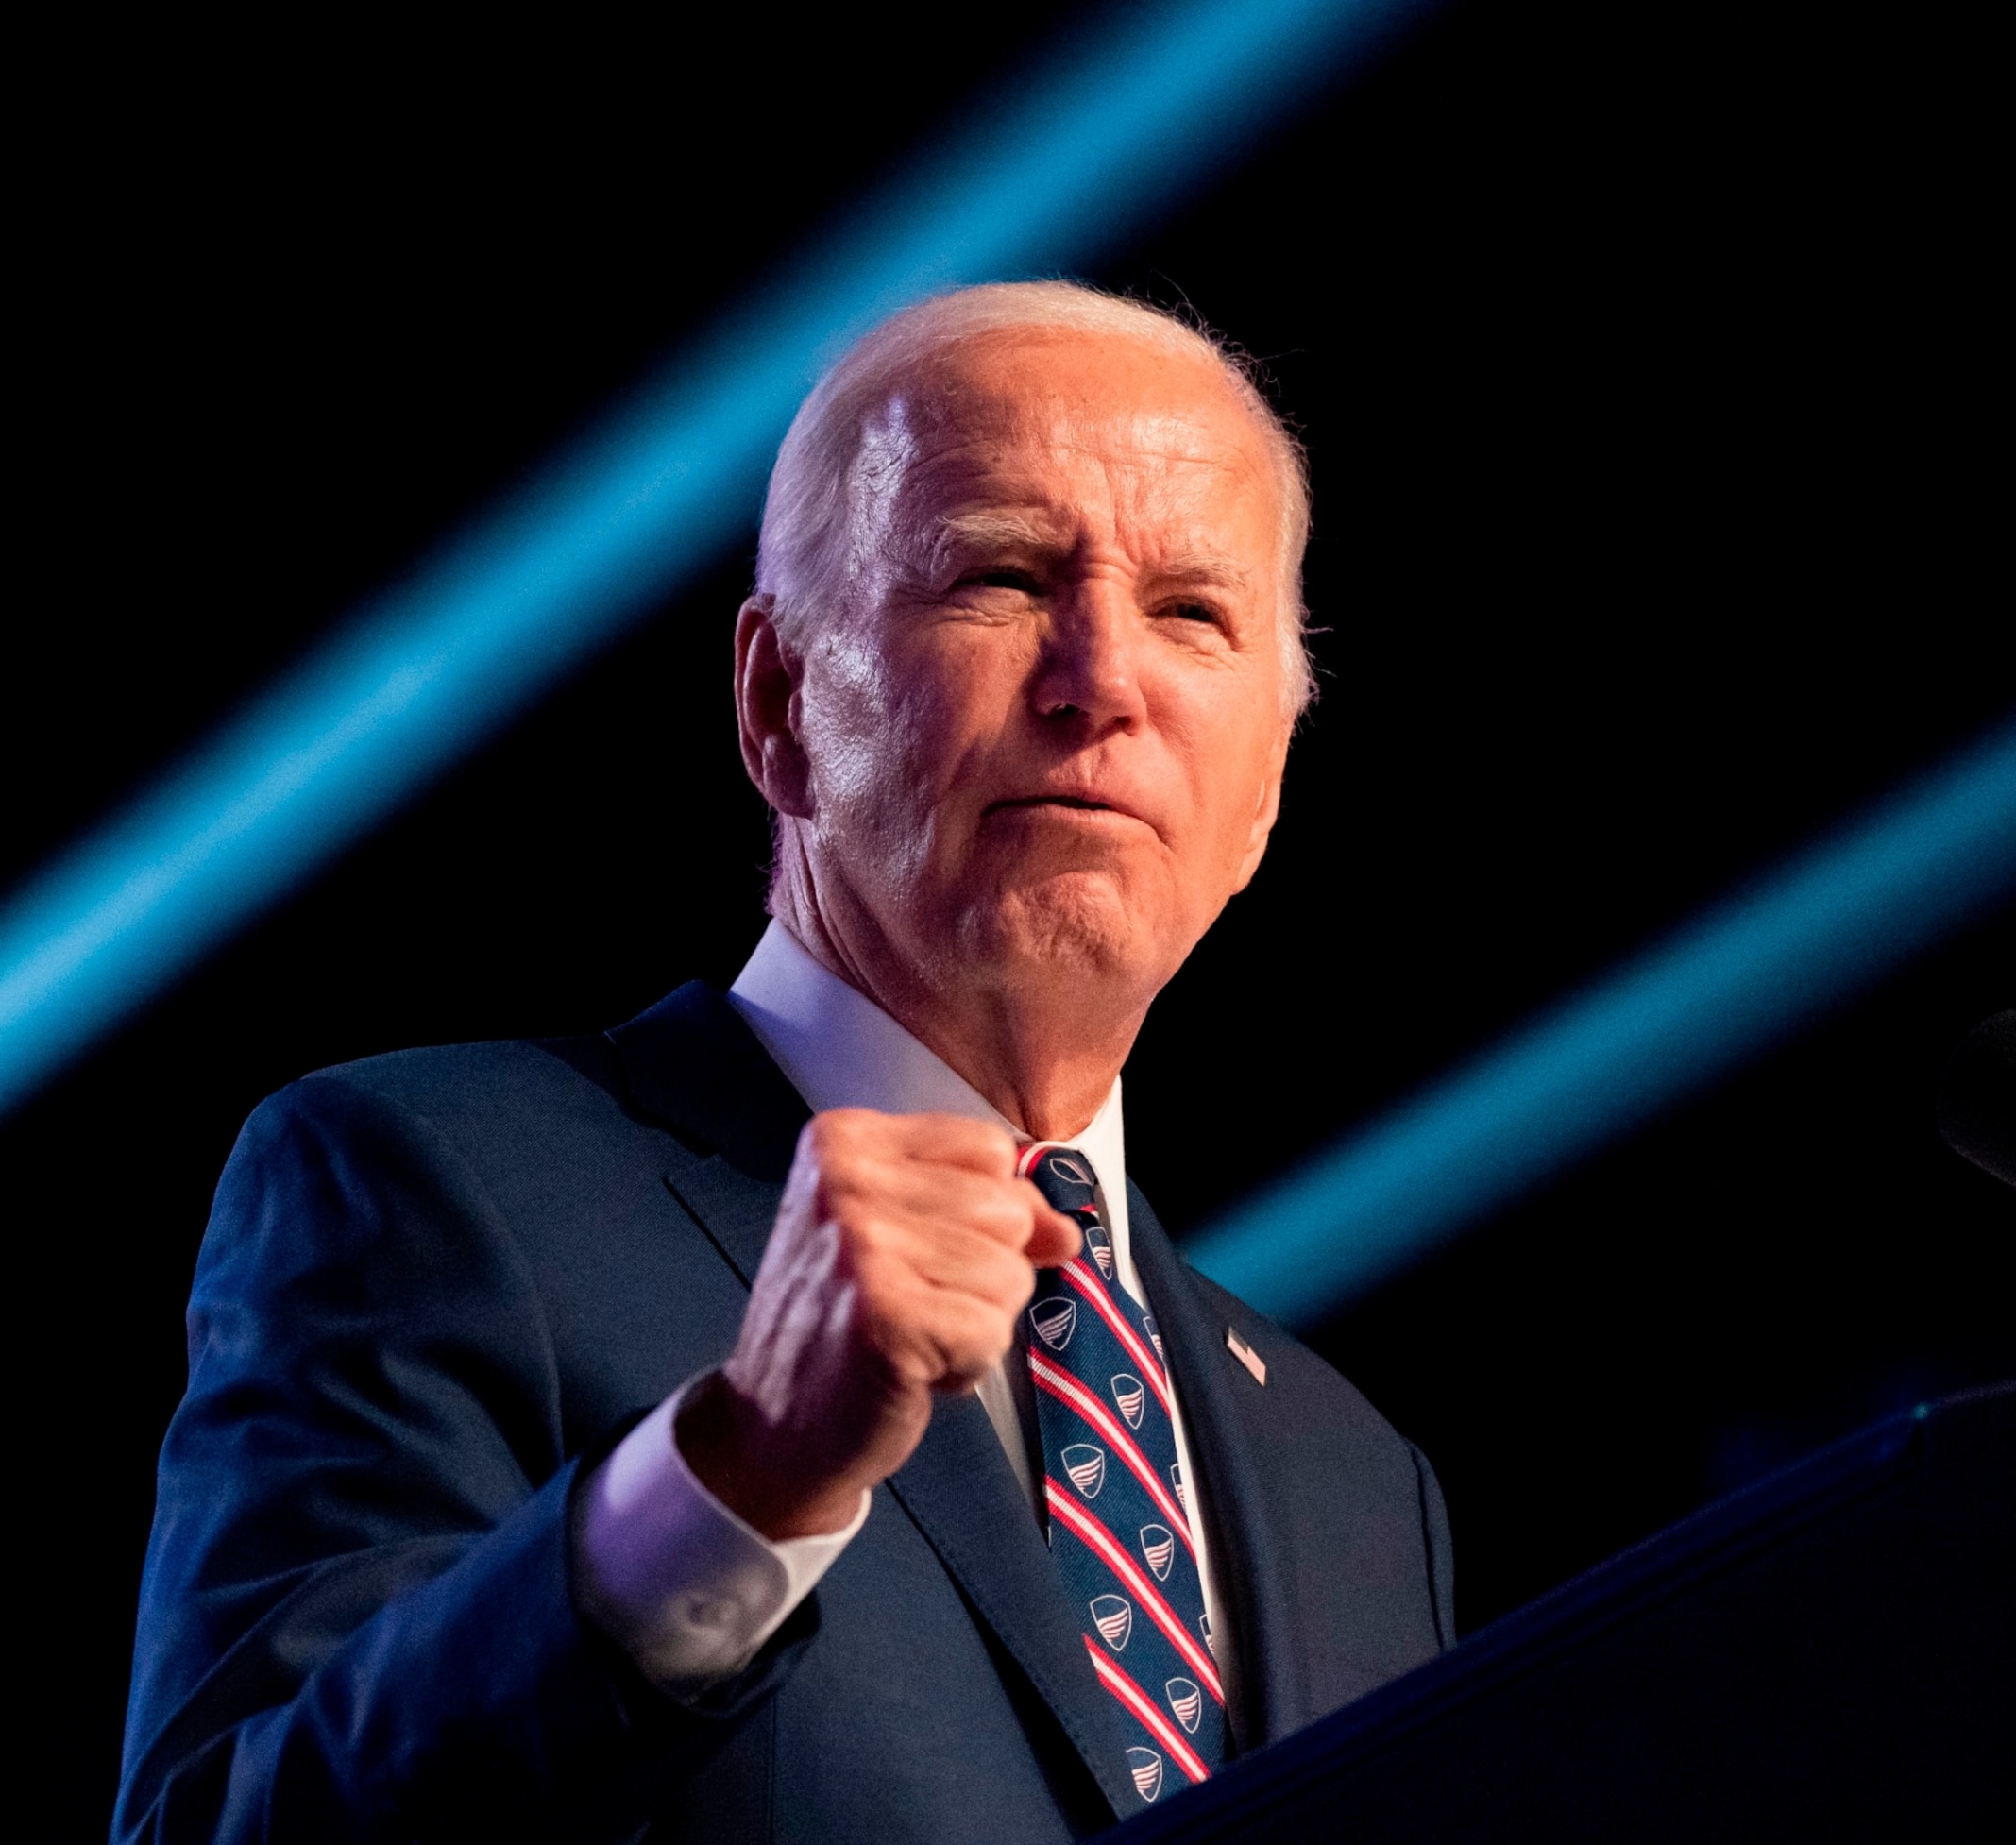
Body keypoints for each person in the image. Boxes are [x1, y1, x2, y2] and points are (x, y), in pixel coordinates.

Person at [114, 282, 1452, 1843]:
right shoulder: (427, 1185)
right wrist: (735, 1483)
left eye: (1192, 614)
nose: (1103, 679)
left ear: (1267, 793)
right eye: (1002, 576)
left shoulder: (1361, 1480)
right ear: (778, 701)